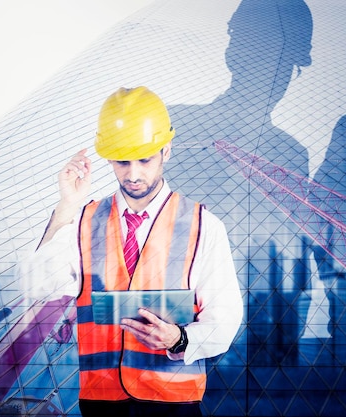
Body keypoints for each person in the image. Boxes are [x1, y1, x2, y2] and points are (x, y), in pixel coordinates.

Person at [19, 86, 243, 417]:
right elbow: (40, 287)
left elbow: (224, 318)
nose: (134, 173)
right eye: (122, 161)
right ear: (108, 157)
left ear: (166, 150)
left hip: (174, 405)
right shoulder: (83, 219)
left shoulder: (203, 225)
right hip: (101, 403)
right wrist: (67, 205)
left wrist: (178, 339)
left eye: (145, 159)